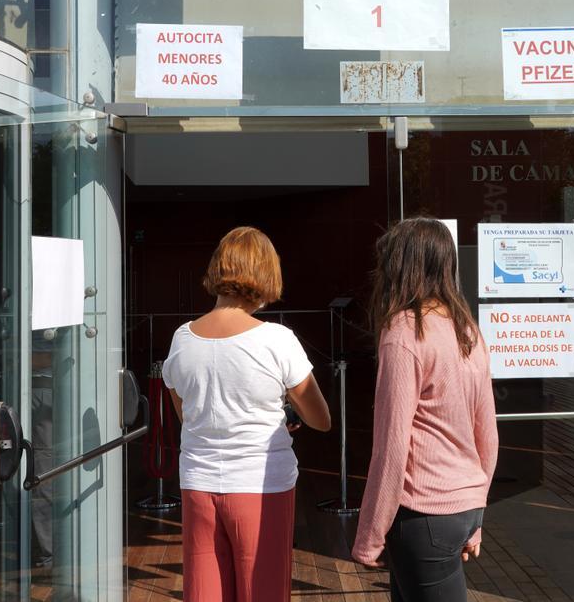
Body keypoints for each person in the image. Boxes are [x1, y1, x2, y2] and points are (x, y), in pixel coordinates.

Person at [163, 226, 332, 602]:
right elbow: (321, 419)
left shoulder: (182, 338)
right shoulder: (276, 339)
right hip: (261, 485)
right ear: (266, 275)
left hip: (198, 483)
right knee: (264, 591)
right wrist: (287, 412)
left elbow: (188, 416)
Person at [352, 218, 499, 601]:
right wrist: (476, 512)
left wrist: (369, 534)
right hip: (462, 507)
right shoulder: (467, 329)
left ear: (402, 266)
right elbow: (489, 433)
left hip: (423, 514)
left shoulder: (404, 332)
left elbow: (391, 447)